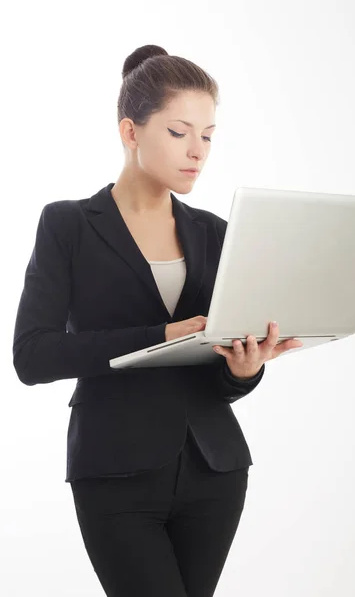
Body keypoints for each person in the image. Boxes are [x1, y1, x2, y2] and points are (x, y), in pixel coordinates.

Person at [12, 44, 302, 597]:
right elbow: (33, 355)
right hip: (115, 472)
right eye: (179, 132)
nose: (199, 151)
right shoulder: (68, 224)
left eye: (209, 135)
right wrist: (160, 336)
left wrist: (244, 369)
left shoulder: (216, 233)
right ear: (131, 131)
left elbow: (214, 370)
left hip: (214, 470)